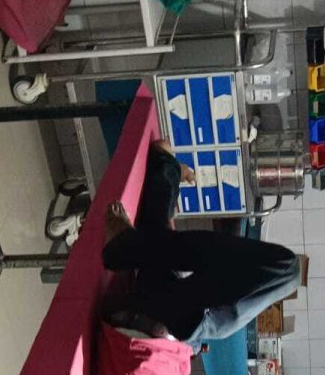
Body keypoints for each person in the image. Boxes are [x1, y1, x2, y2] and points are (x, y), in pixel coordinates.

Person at [101, 138, 304, 352]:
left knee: (289, 270)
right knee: (158, 237)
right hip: (169, 315)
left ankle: (165, 170)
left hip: (178, 322)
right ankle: (166, 168)